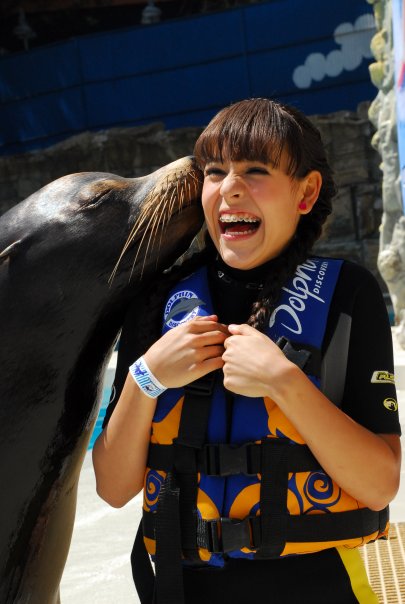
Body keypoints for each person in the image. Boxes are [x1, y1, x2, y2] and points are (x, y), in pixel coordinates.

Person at [92, 98, 402, 604]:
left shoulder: (350, 294)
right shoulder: (155, 303)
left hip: (324, 588)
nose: (231, 187)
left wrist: (285, 381)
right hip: (184, 589)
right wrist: (146, 376)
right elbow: (113, 487)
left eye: (256, 170)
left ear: (306, 192)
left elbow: (379, 484)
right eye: (216, 172)